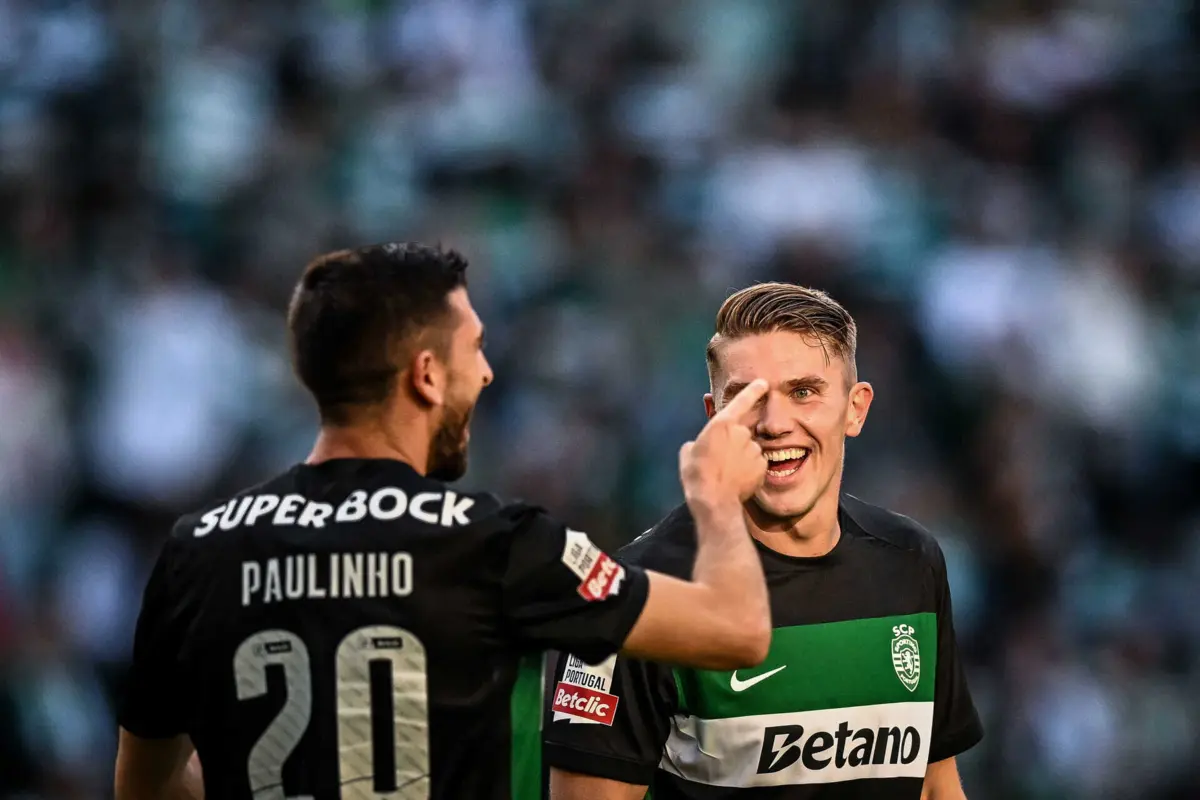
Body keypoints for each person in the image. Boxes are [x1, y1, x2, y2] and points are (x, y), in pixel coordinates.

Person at [112, 243, 776, 800]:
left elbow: (143, 787)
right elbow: (737, 630)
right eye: (475, 348)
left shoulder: (197, 549)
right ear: (426, 375)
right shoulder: (489, 542)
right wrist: (717, 497)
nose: (486, 374)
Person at [544, 282, 984, 800]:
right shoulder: (635, 600)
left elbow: (935, 785)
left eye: (803, 391)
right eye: (747, 398)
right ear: (714, 417)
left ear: (855, 408)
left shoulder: (912, 562)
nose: (775, 424)